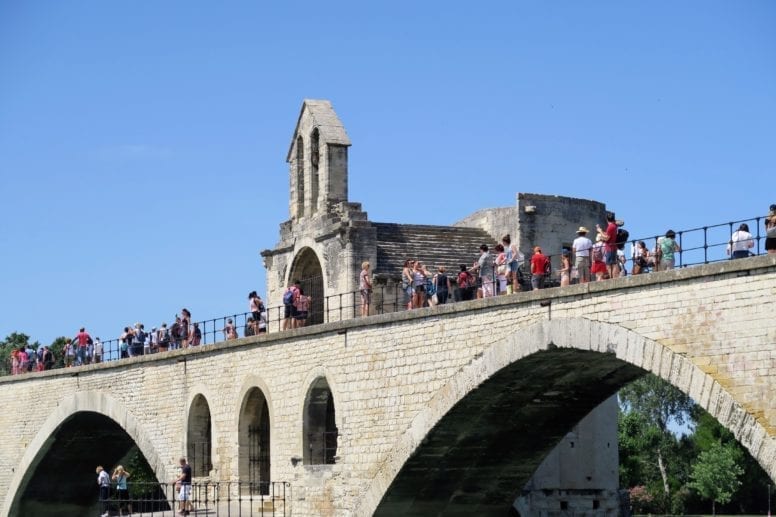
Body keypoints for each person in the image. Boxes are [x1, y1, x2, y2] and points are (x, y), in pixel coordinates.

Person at [596, 212, 619, 279]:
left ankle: (612, 277)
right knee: (612, 263)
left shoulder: (610, 227)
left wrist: (600, 231)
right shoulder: (614, 226)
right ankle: (613, 277)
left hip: (610, 248)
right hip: (612, 247)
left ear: (607, 219)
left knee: (609, 265)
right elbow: (607, 235)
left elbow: (606, 238)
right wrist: (601, 230)